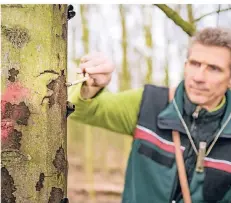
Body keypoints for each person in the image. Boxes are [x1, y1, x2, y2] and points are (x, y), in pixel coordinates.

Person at [68, 27, 231, 203]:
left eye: (213, 68)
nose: (199, 77)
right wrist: (91, 86)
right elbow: (82, 110)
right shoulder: (149, 103)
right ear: (185, 66)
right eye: (195, 64)